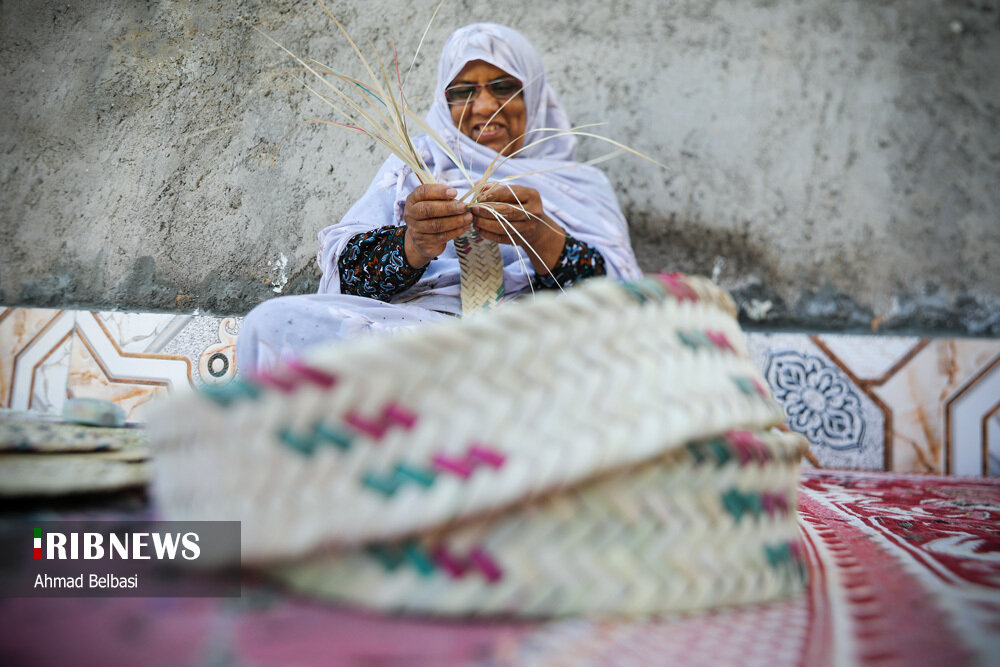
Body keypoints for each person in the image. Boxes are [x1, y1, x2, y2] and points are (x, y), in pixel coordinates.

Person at [236, 22, 640, 374]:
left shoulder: (579, 184)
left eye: (504, 87)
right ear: (443, 104)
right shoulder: (413, 168)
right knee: (272, 323)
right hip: (415, 337)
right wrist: (414, 243)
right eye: (463, 92)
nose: (484, 106)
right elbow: (349, 280)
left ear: (533, 97)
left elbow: (624, 308)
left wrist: (540, 236)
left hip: (529, 341)